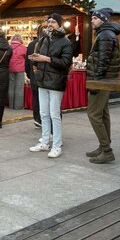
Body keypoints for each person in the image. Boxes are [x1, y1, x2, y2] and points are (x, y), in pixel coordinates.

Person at [28, 13, 73, 157]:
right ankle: (45, 141)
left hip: (56, 81)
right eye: (48, 22)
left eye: (53, 22)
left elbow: (66, 63)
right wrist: (35, 59)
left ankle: (57, 145)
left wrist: (46, 59)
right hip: (42, 80)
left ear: (59, 24)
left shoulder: (65, 42)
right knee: (43, 114)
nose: (50, 24)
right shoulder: (44, 39)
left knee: (54, 115)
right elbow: (39, 57)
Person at [85, 8, 120, 164]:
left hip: (101, 80)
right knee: (103, 113)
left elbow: (103, 60)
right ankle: (103, 146)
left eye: (95, 18)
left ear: (103, 19)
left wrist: (95, 81)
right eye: (92, 18)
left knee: (93, 114)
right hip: (104, 80)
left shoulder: (105, 34)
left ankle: (106, 150)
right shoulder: (105, 33)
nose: (92, 20)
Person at [25, 26, 43, 128]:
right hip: (42, 76)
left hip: (33, 75)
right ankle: (41, 119)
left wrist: (29, 74)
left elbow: (27, 62)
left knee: (35, 99)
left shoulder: (31, 44)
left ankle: (36, 119)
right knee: (42, 99)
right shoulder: (45, 44)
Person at [8, 34, 27, 109]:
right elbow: (26, 57)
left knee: (11, 86)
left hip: (10, 68)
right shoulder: (23, 48)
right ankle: (18, 106)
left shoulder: (9, 47)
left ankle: (11, 105)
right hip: (20, 69)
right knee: (19, 87)